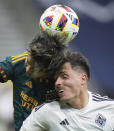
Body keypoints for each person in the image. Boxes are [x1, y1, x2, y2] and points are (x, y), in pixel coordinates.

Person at [20, 51, 114, 131]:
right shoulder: (47, 111)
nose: (57, 83)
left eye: (64, 76)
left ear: (83, 79)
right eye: (56, 79)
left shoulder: (109, 108)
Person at [0, 31, 68, 131]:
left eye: (33, 69)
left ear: (47, 70)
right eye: (27, 63)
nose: (27, 69)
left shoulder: (63, 80)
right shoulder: (18, 63)